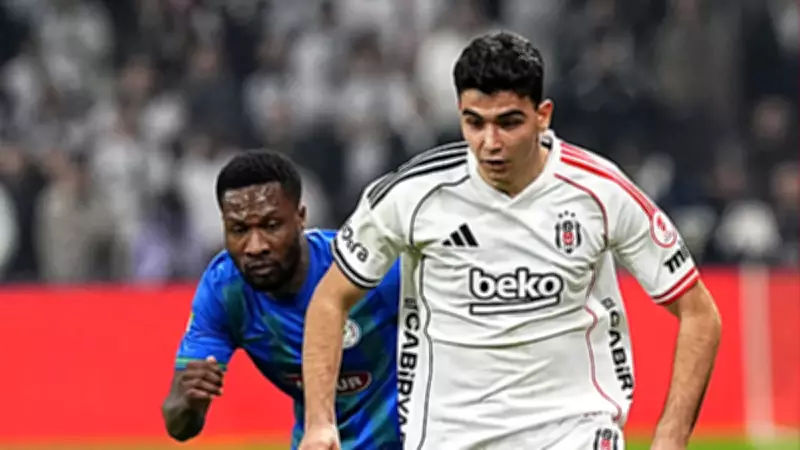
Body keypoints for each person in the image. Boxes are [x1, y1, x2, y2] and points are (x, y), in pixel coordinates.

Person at [299, 31, 722, 450]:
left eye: (508, 122)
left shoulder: (600, 191)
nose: (490, 143)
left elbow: (699, 312)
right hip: (449, 434)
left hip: (574, 429)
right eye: (474, 122)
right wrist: (320, 423)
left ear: (543, 115)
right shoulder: (412, 194)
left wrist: (671, 436)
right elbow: (330, 299)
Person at [161, 150, 403, 449]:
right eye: (239, 230)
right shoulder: (224, 291)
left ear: (301, 218)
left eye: (271, 226)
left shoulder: (366, 268)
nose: (255, 246)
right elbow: (178, 426)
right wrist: (190, 400)